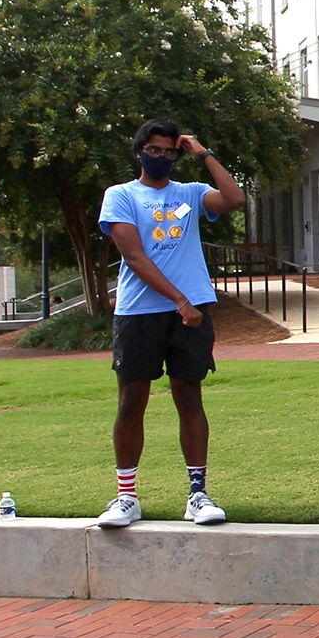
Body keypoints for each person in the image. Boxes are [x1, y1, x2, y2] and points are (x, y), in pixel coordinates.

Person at [95, 119, 246, 529]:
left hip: (191, 311)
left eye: (169, 152)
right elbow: (135, 256)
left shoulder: (191, 194)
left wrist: (203, 153)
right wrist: (178, 299)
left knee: (189, 397)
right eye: (154, 150)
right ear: (140, 151)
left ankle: (198, 493)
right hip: (140, 312)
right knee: (131, 401)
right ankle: (126, 496)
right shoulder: (122, 196)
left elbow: (234, 199)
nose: (161, 157)